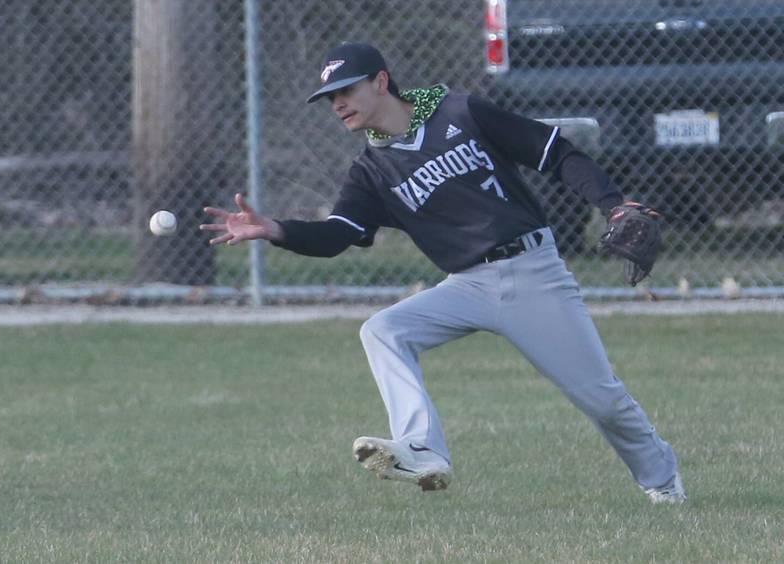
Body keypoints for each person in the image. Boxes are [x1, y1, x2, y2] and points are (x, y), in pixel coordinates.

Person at [200, 42, 686, 503]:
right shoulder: (371, 171)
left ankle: (662, 480)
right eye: (330, 96)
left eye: (346, 90)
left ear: (381, 81)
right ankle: (422, 449)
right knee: (383, 330)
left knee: (602, 400)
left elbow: (553, 150)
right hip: (467, 285)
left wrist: (613, 205)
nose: (337, 104)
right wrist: (275, 229)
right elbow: (337, 234)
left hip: (531, 271)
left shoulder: (460, 112)